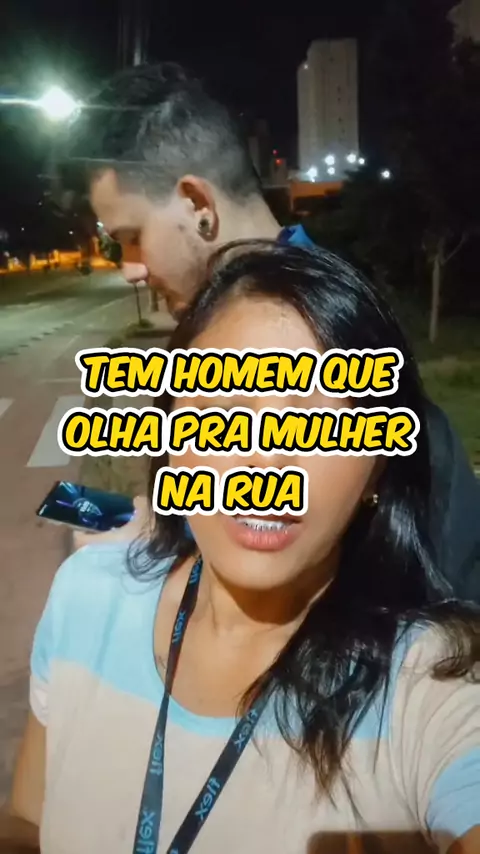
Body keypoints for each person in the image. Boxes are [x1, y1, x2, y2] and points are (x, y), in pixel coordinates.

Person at [4, 242, 480, 854]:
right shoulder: (84, 598)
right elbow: (27, 822)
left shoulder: (433, 685)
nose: (264, 459)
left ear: (378, 470)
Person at [63, 62, 480, 602]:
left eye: (132, 236)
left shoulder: (334, 336)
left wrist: (152, 570)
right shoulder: (229, 330)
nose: (131, 268)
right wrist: (155, 530)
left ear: (197, 205)